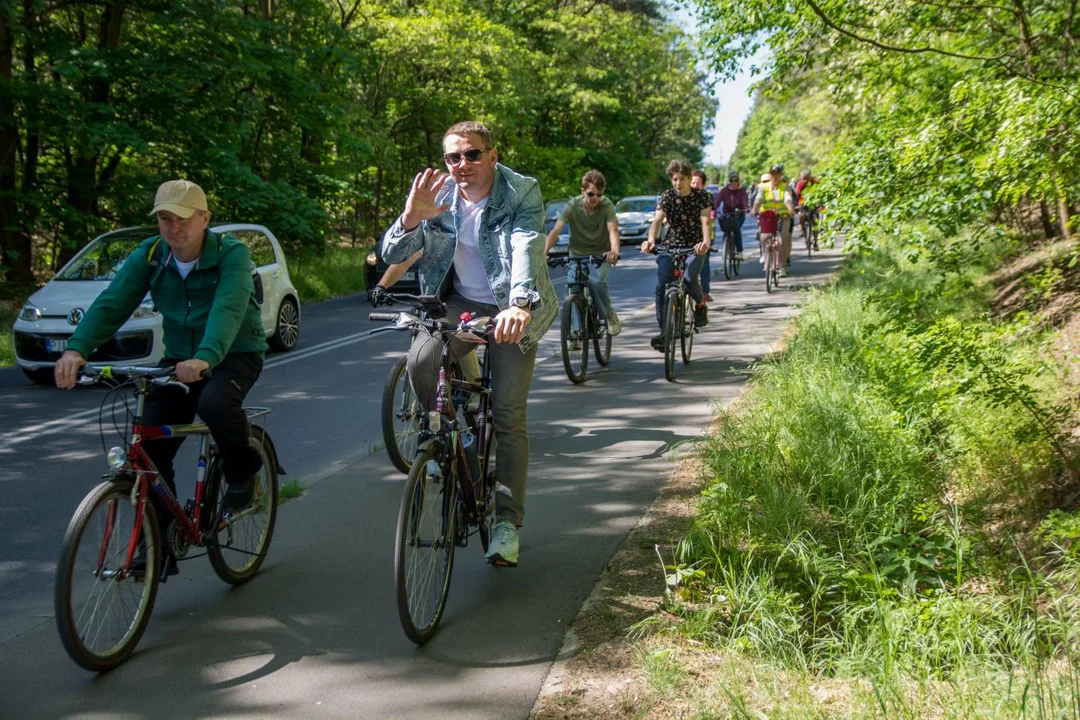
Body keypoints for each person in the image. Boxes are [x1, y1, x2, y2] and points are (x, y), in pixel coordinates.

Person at [55, 180, 268, 577]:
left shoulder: (231, 256)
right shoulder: (152, 256)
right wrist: (77, 348)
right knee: (148, 445)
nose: (173, 228)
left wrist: (206, 357)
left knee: (214, 404)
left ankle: (243, 471)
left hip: (234, 353)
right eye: (165, 219)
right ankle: (161, 544)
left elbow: (229, 308)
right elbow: (114, 301)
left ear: (205, 218)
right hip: (180, 359)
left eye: (182, 218)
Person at [382, 121, 557, 568]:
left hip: (511, 305)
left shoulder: (520, 191)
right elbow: (393, 256)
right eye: (453, 157)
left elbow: (527, 246)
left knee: (507, 414)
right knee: (421, 358)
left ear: (493, 155)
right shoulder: (436, 195)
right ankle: (454, 437)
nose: (462, 165)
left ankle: (506, 522)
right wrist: (410, 218)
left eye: (473, 155)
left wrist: (519, 303)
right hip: (456, 301)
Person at [640, 159, 712, 351]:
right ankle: (665, 333)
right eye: (674, 179)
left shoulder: (702, 196)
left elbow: (706, 221)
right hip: (671, 246)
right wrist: (650, 240)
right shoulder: (667, 196)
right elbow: (657, 220)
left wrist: (705, 242)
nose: (678, 183)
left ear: (690, 179)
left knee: (689, 279)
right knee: (661, 284)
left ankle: (700, 304)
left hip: (695, 246)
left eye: (681, 179)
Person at [544, 169, 622, 336]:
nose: (595, 198)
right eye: (591, 193)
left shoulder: (606, 205)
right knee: (573, 288)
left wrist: (614, 251)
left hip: (602, 253)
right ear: (583, 191)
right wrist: (543, 253)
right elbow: (556, 230)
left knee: (597, 282)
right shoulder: (572, 206)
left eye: (599, 194)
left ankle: (609, 315)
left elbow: (613, 230)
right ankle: (575, 331)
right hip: (577, 253)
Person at [751, 164, 796, 276]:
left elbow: (788, 199)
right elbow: (758, 199)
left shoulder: (785, 187)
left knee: (782, 241)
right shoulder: (763, 187)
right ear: (769, 175)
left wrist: (790, 210)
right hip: (767, 216)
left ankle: (782, 268)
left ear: (781, 175)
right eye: (772, 174)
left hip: (783, 217)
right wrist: (754, 210)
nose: (774, 177)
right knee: (764, 237)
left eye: (777, 174)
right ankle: (766, 259)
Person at [690, 170, 714, 302]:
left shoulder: (706, 197)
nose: (694, 185)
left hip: (704, 236)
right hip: (687, 237)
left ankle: (705, 292)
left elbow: (709, 218)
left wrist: (707, 240)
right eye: (693, 182)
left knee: (704, 264)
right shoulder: (683, 195)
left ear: (703, 185)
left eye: (698, 183)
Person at [714, 171, 749, 259]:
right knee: (726, 230)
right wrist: (712, 208)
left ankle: (740, 251)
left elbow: (744, 200)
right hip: (727, 214)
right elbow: (717, 201)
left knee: (736, 229)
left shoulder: (741, 191)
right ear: (729, 181)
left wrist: (745, 208)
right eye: (731, 180)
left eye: (736, 180)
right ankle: (726, 249)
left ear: (738, 181)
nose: (733, 182)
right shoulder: (724, 191)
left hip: (739, 214)